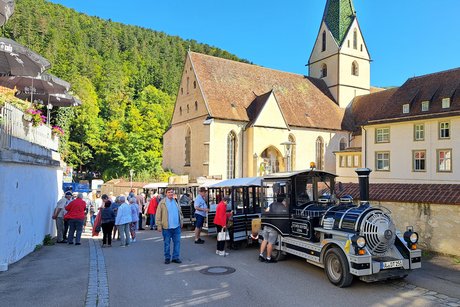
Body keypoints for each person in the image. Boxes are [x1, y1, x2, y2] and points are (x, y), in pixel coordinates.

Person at [156, 187, 183, 264]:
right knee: (167, 243)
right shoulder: (162, 203)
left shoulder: (176, 202)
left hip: (176, 227)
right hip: (166, 227)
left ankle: (175, 257)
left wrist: (181, 221)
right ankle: (167, 257)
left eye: (172, 192)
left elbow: (180, 212)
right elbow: (158, 215)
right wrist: (159, 225)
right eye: (169, 192)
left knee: (177, 243)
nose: (171, 194)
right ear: (166, 193)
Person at [258, 194, 287, 263]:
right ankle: (268, 258)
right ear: (283, 200)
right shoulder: (283, 207)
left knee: (264, 240)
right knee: (270, 243)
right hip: (274, 226)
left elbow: (266, 211)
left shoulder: (272, 204)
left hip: (267, 224)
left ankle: (261, 255)